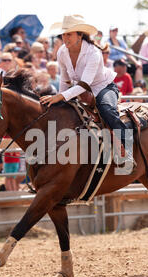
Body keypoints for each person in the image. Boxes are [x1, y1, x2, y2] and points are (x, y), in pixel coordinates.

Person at [39, 15, 136, 168]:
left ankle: (128, 148)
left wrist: (60, 96)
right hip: (79, 90)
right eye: (64, 34)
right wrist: (61, 98)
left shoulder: (93, 53)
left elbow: (85, 84)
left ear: (80, 35)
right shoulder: (62, 52)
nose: (65, 38)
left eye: (69, 34)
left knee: (107, 110)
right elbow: (64, 78)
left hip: (103, 87)